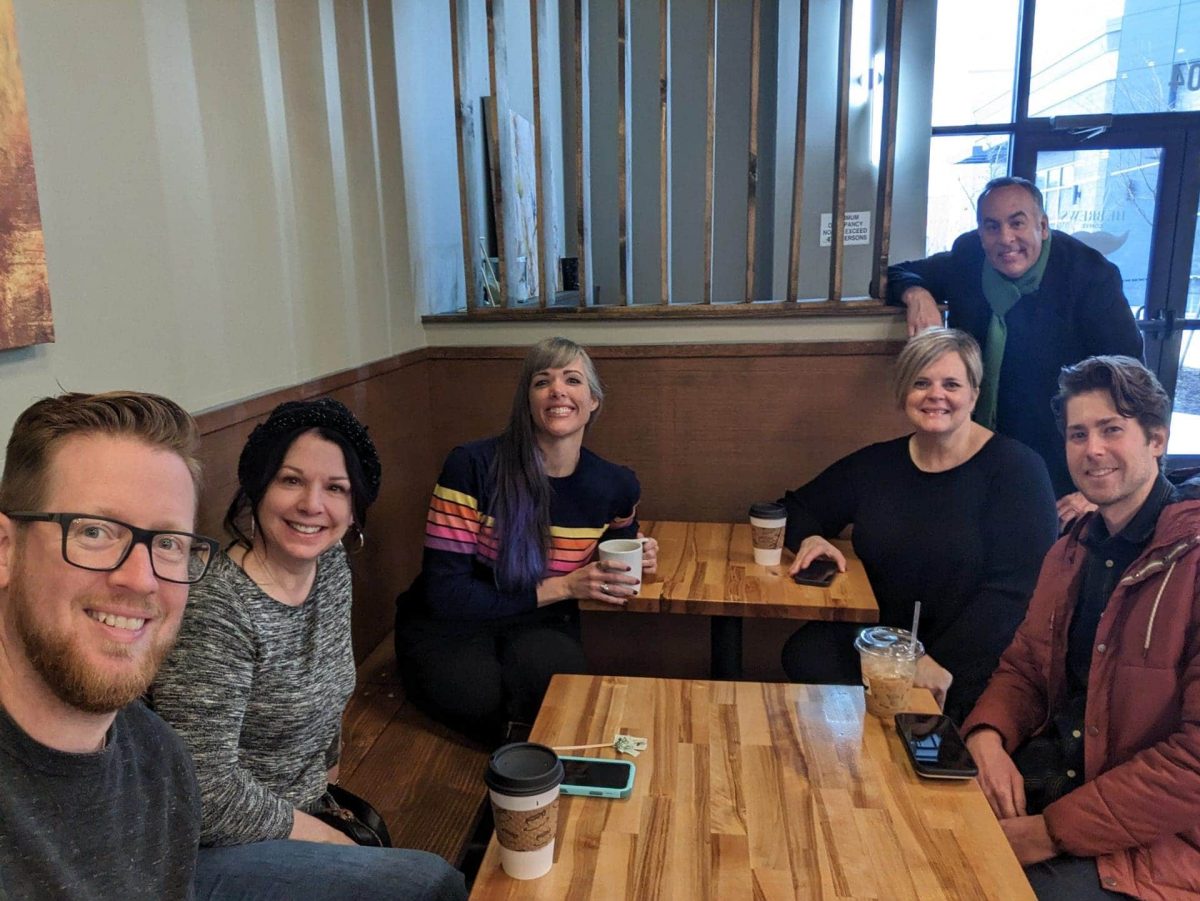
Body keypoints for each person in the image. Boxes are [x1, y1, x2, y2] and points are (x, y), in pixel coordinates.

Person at [151, 398, 465, 901]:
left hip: (301, 811)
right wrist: (323, 835)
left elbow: (328, 689)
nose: (312, 505)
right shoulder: (217, 604)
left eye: (336, 488)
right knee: (435, 884)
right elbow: (203, 793)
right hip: (213, 844)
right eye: (291, 480)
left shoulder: (330, 563)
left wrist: (324, 793)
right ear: (257, 487)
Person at [962, 356, 1200, 900]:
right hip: (1055, 789)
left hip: (1158, 842)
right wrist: (987, 738)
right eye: (1078, 433)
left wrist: (1050, 832)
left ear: (1157, 439)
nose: (1092, 449)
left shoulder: (1193, 559)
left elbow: (1195, 763)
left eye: (1111, 429)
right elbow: (1023, 668)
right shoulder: (1070, 549)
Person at [0, 391, 218, 899]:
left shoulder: (161, 762)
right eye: (95, 531)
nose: (140, 580)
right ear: (6, 550)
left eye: (168, 543)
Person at [778, 328, 1057, 723]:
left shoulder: (1018, 469)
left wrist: (930, 661)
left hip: (975, 658)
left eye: (951, 384)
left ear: (974, 394)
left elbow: (1014, 594)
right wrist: (811, 538)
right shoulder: (876, 464)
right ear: (903, 393)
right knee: (805, 652)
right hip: (883, 649)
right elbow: (793, 507)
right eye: (921, 383)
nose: (935, 395)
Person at [395, 337, 658, 743]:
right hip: (453, 618)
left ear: (593, 402)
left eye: (572, 380)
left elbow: (620, 539)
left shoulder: (616, 484)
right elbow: (445, 593)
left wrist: (638, 552)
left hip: (542, 619)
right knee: (473, 699)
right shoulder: (471, 466)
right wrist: (565, 586)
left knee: (557, 689)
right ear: (527, 401)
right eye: (542, 381)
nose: (558, 390)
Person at [887, 176, 1143, 515]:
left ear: (1043, 225)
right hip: (976, 443)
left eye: (1017, 223)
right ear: (981, 232)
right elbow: (897, 273)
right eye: (992, 226)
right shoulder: (968, 256)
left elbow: (1129, 380)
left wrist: (1097, 486)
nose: (1005, 239)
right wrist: (916, 294)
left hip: (1060, 451)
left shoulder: (1089, 275)